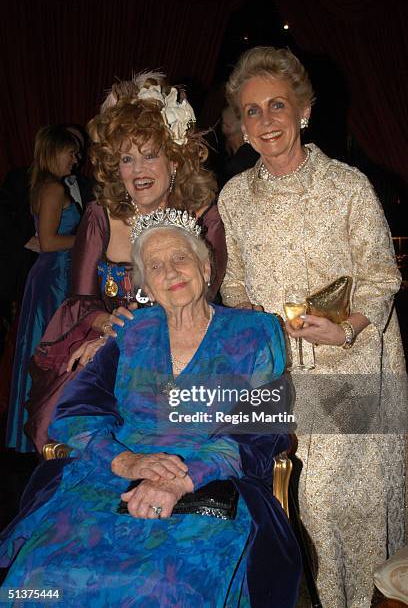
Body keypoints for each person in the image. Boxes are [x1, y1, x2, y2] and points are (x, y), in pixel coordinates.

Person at [0, 212, 301, 606]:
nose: (170, 272)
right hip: (111, 479)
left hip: (210, 482)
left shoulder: (256, 331)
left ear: (206, 266)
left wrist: (182, 479)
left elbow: (262, 423)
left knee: (169, 586)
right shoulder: (131, 331)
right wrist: (125, 461)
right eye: (155, 266)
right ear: (146, 285)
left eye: (180, 257)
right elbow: (74, 415)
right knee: (41, 575)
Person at [218, 46, 406, 607]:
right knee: (291, 510)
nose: (266, 120)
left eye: (278, 104)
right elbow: (236, 289)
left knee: (342, 510)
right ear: (241, 124)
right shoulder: (234, 197)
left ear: (303, 110)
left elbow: (381, 277)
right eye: (252, 110)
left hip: (354, 369)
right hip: (278, 378)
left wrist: (344, 328)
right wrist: (254, 327)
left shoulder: (348, 187)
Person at [25, 73, 226, 454]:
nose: (138, 170)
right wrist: (104, 323)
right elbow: (79, 300)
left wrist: (129, 333)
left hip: (179, 356)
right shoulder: (101, 215)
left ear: (175, 158)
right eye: (126, 159)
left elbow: (207, 303)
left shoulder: (204, 218)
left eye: (150, 155)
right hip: (106, 351)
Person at [6, 125, 81, 453]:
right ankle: (46, 428)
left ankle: (41, 427)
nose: (76, 159)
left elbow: (43, 240)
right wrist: (91, 241)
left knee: (46, 347)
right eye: (71, 152)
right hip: (55, 275)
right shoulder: (52, 188)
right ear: (54, 151)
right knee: (52, 347)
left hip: (51, 272)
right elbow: (49, 241)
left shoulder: (45, 186)